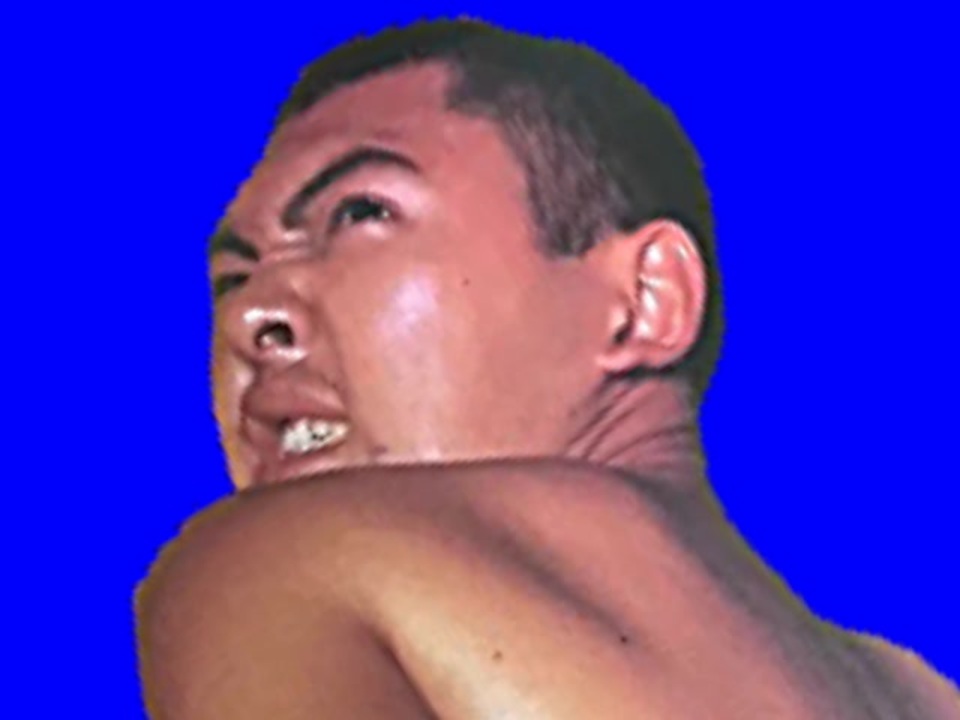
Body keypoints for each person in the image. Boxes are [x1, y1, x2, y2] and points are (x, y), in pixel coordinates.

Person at [136, 18, 959, 719]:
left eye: (358, 213)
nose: (248, 316)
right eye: (231, 279)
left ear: (645, 301)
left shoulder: (296, 560)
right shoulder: (916, 691)